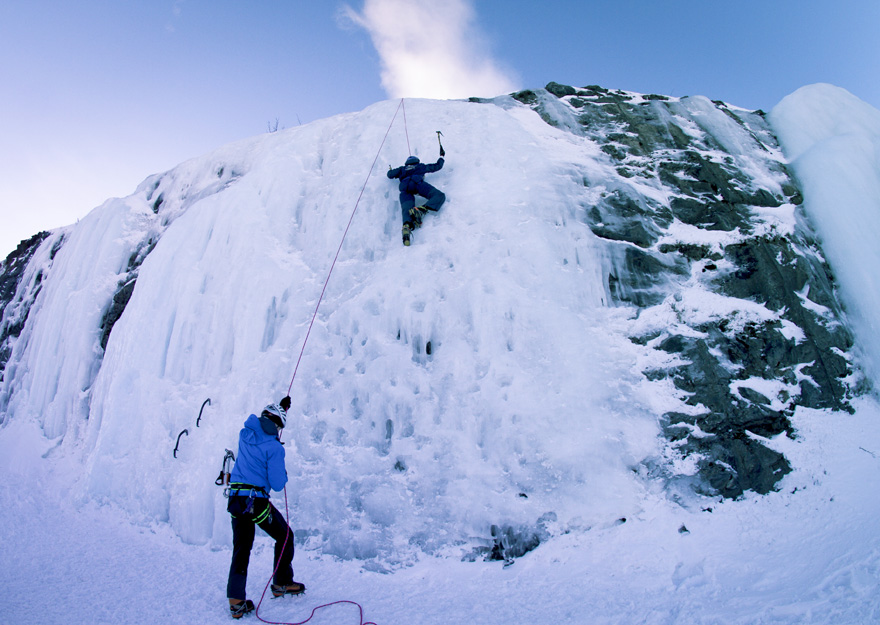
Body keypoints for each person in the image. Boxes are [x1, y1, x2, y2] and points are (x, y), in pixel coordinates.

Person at [226, 396, 304, 619]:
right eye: (279, 426)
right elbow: (278, 484)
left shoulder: (246, 435)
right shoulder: (274, 448)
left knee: (241, 548)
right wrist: (283, 471)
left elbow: (265, 425)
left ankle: (236, 601)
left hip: (236, 500)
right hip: (256, 503)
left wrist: (282, 407)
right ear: (277, 425)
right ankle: (281, 582)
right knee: (285, 536)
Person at [387, 147, 446, 246]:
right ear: (416, 161)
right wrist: (441, 156)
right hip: (417, 183)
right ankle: (421, 209)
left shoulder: (402, 169)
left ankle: (406, 226)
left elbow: (390, 174)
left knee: (406, 209)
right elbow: (436, 166)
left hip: (404, 188)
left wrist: (392, 171)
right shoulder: (420, 166)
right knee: (439, 195)